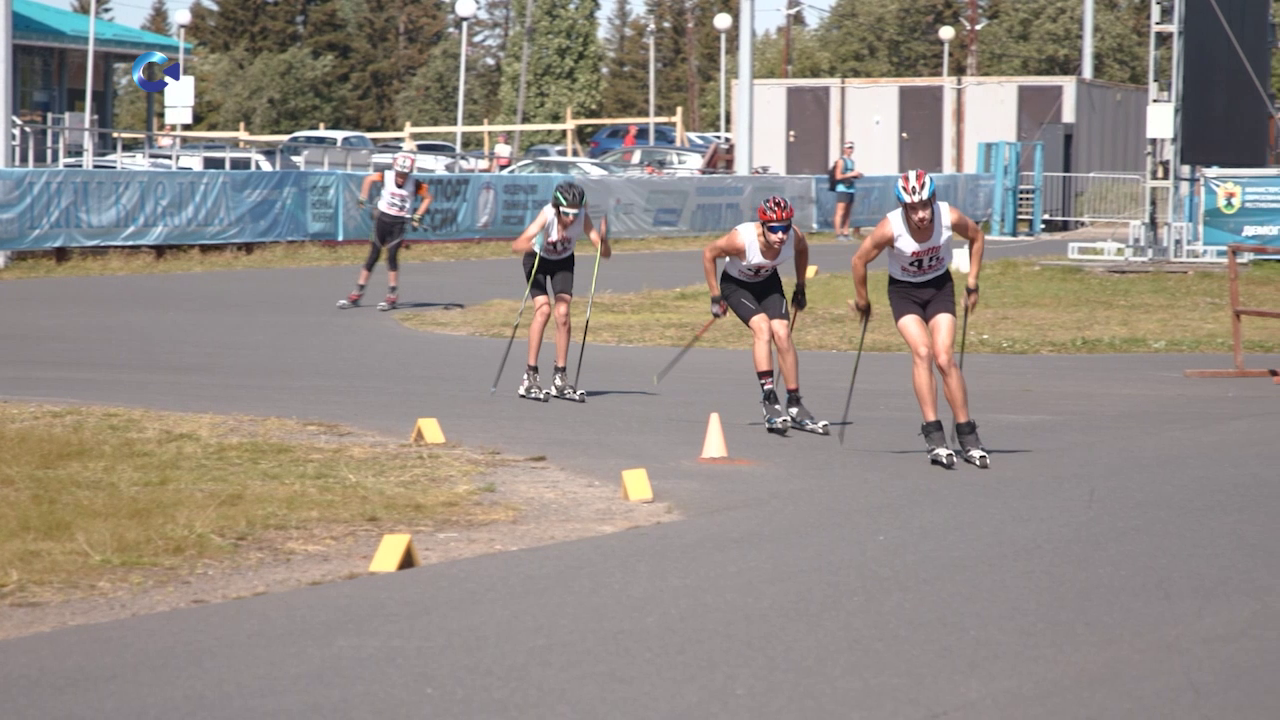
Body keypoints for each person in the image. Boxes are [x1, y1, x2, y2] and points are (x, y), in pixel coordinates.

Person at [850, 170, 989, 467]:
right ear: (903, 207)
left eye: (925, 205)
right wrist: (863, 299)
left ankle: (967, 434)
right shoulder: (890, 228)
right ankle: (934, 434)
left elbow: (977, 236)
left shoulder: (948, 216)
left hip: (939, 287)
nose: (922, 214)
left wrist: (973, 282)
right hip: (904, 293)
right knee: (922, 352)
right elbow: (859, 260)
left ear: (933, 200)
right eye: (913, 208)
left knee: (944, 357)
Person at [701, 195, 827, 435]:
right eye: (775, 229)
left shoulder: (794, 238)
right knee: (762, 329)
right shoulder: (741, 241)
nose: (781, 235)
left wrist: (801, 286)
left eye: (786, 227)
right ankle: (769, 397)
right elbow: (708, 254)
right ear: (763, 226)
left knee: (782, 333)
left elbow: (803, 250)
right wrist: (715, 296)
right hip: (736, 285)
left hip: (767, 282)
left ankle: (794, 402)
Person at [510, 181, 611, 400]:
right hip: (536, 260)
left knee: (563, 313)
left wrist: (603, 240)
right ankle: (530, 375)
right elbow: (516, 245)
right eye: (567, 213)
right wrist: (535, 241)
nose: (572, 218)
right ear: (557, 208)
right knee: (543, 311)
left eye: (576, 212)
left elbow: (604, 252)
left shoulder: (582, 217)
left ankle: (560, 377)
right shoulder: (547, 215)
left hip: (563, 262)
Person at [337, 151, 432, 311]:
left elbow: (428, 198)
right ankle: (357, 294)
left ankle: (392, 296)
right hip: (382, 219)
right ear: (395, 169)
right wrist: (363, 197)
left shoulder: (415, 184)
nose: (401, 177)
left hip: (399, 223)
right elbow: (368, 179)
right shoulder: (386, 176)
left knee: (392, 256)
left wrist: (417, 215)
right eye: (399, 173)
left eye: (405, 174)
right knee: (373, 255)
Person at [831, 140, 863, 241]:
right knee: (840, 212)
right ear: (844, 149)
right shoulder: (841, 161)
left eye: (851, 147)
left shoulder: (852, 161)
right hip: (842, 189)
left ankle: (845, 232)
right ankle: (838, 233)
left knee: (848, 212)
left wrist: (857, 175)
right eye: (848, 147)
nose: (850, 149)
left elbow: (850, 174)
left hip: (850, 189)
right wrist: (851, 174)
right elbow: (838, 176)